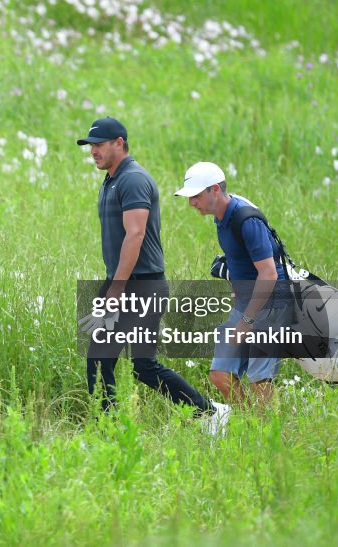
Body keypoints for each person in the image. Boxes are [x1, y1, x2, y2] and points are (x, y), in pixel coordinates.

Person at [77, 118, 230, 434]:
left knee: (142, 365)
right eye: (90, 145)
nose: (93, 151)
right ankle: (109, 431)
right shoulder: (112, 180)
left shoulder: (133, 179)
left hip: (142, 284)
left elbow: (135, 235)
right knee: (99, 359)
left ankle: (210, 412)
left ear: (119, 143)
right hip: (125, 282)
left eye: (99, 144)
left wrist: (115, 291)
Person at [174, 161, 292, 408]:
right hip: (247, 304)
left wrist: (246, 321)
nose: (191, 203)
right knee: (220, 374)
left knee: (259, 381)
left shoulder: (246, 220)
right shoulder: (221, 216)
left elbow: (269, 274)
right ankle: (251, 427)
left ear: (214, 190)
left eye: (195, 196)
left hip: (270, 306)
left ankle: (268, 434)